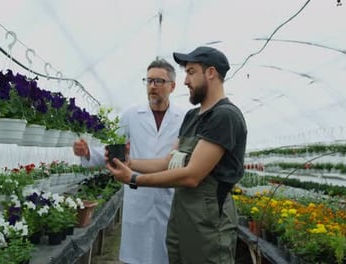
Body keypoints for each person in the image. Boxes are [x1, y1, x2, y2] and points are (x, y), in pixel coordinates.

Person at [106, 46, 247, 264]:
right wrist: (128, 163)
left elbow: (192, 176)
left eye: (191, 72)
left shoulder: (224, 116)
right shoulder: (193, 117)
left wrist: (134, 178)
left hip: (208, 221)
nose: (185, 81)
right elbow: (167, 162)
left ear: (210, 73)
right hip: (182, 216)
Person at [73, 58, 186, 264]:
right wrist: (88, 152)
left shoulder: (184, 117)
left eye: (159, 81)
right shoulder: (131, 115)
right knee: (137, 256)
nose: (152, 86)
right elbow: (113, 149)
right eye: (149, 80)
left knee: (167, 255)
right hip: (138, 194)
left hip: (169, 196)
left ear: (172, 86)